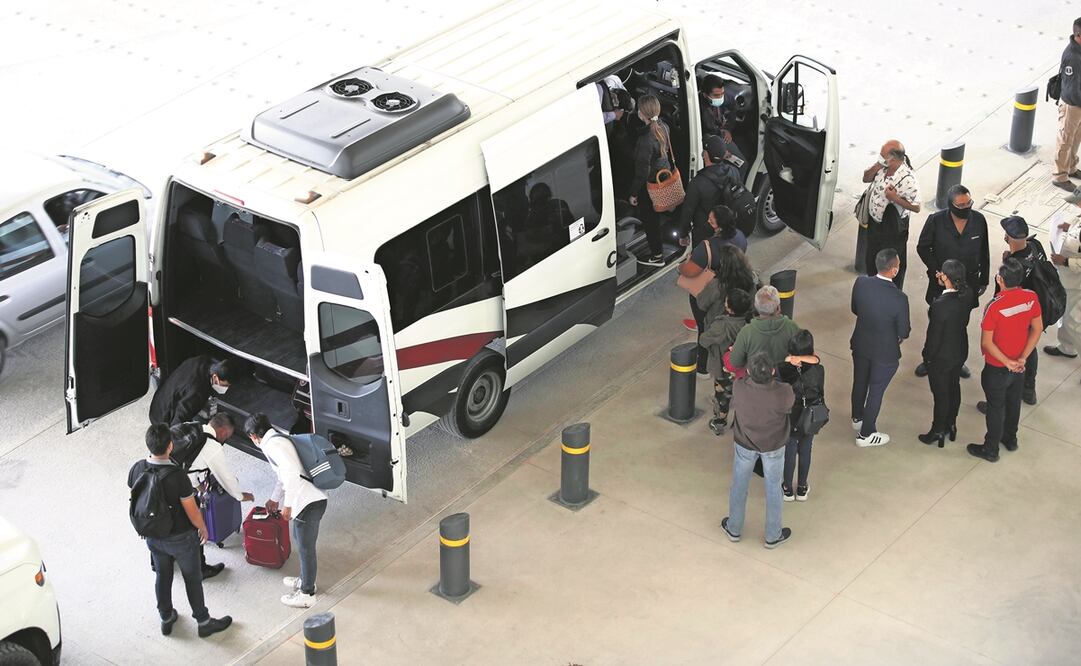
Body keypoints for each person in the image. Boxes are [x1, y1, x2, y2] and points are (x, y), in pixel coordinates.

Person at [128, 424, 232, 638]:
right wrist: (203, 527)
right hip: (181, 538)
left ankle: (166, 618)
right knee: (192, 578)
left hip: (153, 536)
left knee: (163, 575)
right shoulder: (177, 475)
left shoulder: (137, 468)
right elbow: (191, 510)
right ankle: (203, 622)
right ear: (170, 446)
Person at [245, 413, 329, 608]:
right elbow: (283, 476)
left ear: (253, 436)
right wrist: (274, 499)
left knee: (306, 548)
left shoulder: (273, 446)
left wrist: (288, 505)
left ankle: (307, 593)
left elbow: (290, 473)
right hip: (310, 499)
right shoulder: (278, 439)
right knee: (300, 542)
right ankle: (304, 579)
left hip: (308, 502)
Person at [967, 259, 1043, 462]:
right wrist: (1022, 358)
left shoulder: (995, 306)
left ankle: (991, 449)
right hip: (1019, 367)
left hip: (997, 367)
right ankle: (1010, 438)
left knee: (995, 407)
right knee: (1013, 402)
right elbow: (1037, 329)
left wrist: (1007, 361)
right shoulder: (1031, 298)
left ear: (1000, 279)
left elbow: (987, 343)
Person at [914, 184, 989, 378]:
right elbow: (923, 247)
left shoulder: (979, 221)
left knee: (960, 325)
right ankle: (928, 359)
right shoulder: (936, 221)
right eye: (961, 205)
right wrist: (936, 270)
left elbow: (984, 252)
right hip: (940, 284)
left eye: (969, 204)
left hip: (967, 285)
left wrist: (984, 280)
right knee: (936, 324)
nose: (966, 208)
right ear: (951, 204)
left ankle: (958, 362)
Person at [721, 351, 794, 549]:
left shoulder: (739, 387)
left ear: (748, 372)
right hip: (773, 445)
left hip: (745, 443)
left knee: (739, 485)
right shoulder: (784, 392)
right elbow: (789, 406)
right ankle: (773, 535)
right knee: (773, 488)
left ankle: (734, 528)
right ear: (772, 371)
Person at [169, 413, 255, 578]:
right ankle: (200, 569)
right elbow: (226, 477)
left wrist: (198, 485)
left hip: (161, 474)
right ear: (223, 431)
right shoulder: (212, 447)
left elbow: (188, 464)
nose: (225, 440)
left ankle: (161, 560)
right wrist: (241, 496)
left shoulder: (192, 426)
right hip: (180, 488)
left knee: (168, 520)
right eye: (227, 436)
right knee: (195, 527)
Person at [975, 216, 1046, 409]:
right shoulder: (1035, 245)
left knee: (1011, 351)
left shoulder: (1011, 269)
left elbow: (1002, 297)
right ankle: (1029, 389)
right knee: (1030, 347)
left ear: (1008, 237)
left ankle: (998, 401)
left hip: (1016, 316)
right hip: (1035, 307)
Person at [850, 248, 911, 447]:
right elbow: (904, 331)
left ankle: (857, 418)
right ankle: (866, 434)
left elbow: (855, 309)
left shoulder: (861, 283)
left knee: (860, 381)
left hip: (861, 343)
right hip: (884, 352)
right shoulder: (900, 298)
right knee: (875, 391)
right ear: (893, 270)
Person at [681, 214, 753, 372]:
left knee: (704, 331)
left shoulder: (716, 285)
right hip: (739, 324)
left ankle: (702, 368)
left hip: (714, 319)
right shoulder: (750, 278)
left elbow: (701, 304)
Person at [918, 260, 971, 448]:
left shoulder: (940, 305)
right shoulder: (967, 295)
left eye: (941, 273)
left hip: (941, 356)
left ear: (946, 277)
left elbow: (934, 337)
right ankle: (951, 424)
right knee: (953, 387)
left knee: (940, 395)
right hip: (959, 350)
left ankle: (937, 430)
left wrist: (927, 356)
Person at [862, 140, 921, 288]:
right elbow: (865, 178)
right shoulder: (881, 168)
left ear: (893, 158)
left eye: (883, 155)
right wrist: (877, 165)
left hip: (892, 231)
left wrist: (895, 199)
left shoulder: (908, 179)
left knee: (890, 265)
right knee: (871, 259)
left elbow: (916, 207)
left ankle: (891, 291)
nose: (880, 157)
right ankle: (873, 285)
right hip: (875, 225)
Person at [778, 330, 824, 502]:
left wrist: (790, 360)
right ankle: (803, 487)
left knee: (789, 451)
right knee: (806, 450)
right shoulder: (819, 370)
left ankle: (787, 488)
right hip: (810, 416)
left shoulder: (783, 370)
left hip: (790, 417)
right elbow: (816, 361)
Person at [699, 287, 751, 435]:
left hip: (724, 367)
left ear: (730, 308)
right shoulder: (749, 323)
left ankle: (720, 421)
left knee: (722, 395)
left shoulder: (721, 325)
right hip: (742, 367)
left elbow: (704, 340)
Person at [628, 94, 673, 267]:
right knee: (656, 215)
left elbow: (641, 172)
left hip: (650, 184)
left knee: (650, 220)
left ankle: (657, 256)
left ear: (641, 114)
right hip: (663, 176)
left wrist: (633, 193)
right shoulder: (664, 127)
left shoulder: (645, 140)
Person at [678, 135, 744, 247]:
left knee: (704, 261)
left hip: (704, 233)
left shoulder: (697, 183)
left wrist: (683, 234)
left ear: (706, 155)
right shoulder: (734, 171)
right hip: (726, 227)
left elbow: (687, 212)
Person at [149, 356, 239, 426]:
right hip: (161, 417)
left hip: (161, 398)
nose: (226, 388)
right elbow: (179, 419)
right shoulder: (198, 392)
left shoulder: (204, 361)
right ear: (215, 377)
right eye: (225, 385)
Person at [1045, 189, 1081, 363]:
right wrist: (1069, 227)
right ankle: (1067, 347)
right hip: (1067, 280)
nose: (1076, 204)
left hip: (1077, 284)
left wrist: (1065, 261)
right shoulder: (1079, 217)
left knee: (1074, 323)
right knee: (1065, 315)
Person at [728, 285, 801, 369]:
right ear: (778, 307)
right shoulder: (792, 326)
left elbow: (735, 363)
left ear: (756, 306)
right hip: (785, 376)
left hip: (757, 378)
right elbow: (801, 354)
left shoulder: (746, 332)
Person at [1051, 18, 1081, 191]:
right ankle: (1059, 175)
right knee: (1065, 140)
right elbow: (1071, 90)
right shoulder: (1072, 56)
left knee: (1076, 138)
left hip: (1079, 104)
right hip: (1072, 105)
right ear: (1078, 35)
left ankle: (1071, 167)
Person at [697, 74, 747, 167]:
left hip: (722, 133)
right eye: (716, 95)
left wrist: (727, 129)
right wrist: (720, 148)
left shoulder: (727, 98)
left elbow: (732, 114)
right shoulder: (698, 106)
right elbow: (708, 127)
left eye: (722, 94)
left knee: (742, 164)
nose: (720, 97)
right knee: (740, 166)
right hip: (708, 137)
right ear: (705, 95)